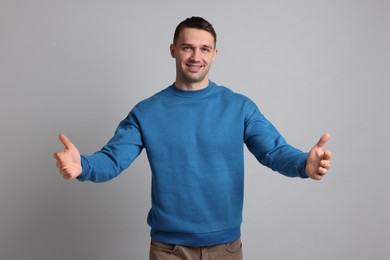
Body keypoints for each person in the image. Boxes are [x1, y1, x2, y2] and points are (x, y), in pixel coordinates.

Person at [54, 16, 331, 260]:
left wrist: (303, 163)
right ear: (173, 50)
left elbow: (274, 151)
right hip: (168, 249)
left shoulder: (239, 107)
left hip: (226, 248)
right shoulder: (147, 112)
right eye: (187, 47)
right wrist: (84, 166)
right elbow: (113, 160)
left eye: (204, 49)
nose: (195, 56)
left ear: (214, 54)